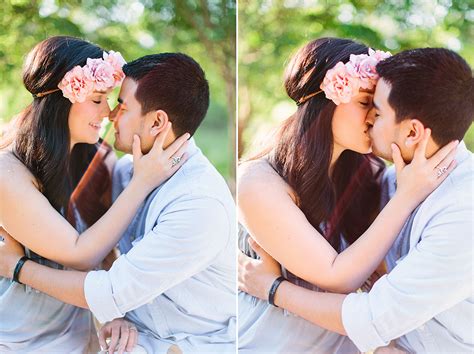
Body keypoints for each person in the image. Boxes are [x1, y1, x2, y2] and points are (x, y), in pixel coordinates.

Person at [238, 47, 473, 353]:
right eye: (365, 102)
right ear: (327, 102)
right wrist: (406, 196)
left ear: (413, 131)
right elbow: (346, 280)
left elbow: (377, 306)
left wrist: (273, 289)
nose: (372, 117)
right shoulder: (263, 181)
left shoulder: (439, 199)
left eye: (378, 108)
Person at [0, 53, 236, 354]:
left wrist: (16, 267)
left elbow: (111, 290)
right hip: (29, 334)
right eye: (101, 100)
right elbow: (104, 251)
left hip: (195, 342)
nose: (111, 114)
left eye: (120, 105)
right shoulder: (124, 171)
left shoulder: (198, 203)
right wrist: (118, 313)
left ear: (157, 122)